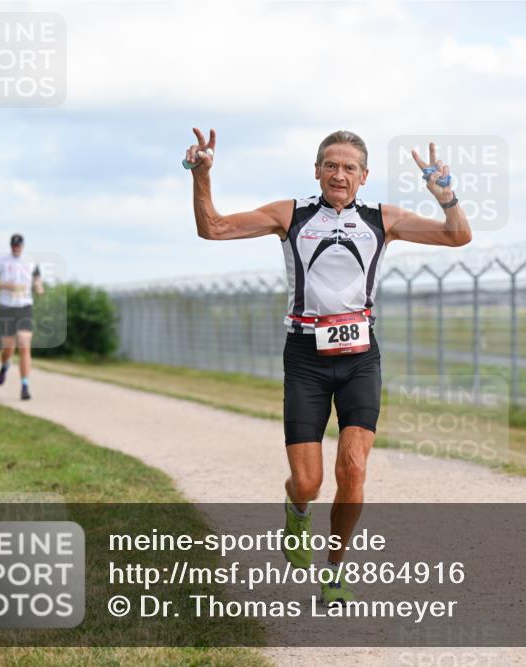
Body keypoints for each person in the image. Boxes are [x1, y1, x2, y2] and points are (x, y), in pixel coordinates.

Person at [186, 129, 470, 606]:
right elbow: (212, 227)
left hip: (361, 357)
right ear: (317, 170)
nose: (340, 174)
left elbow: (457, 235)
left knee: (354, 468)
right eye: (331, 165)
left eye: (349, 167)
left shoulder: (383, 219)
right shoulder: (291, 214)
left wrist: (447, 197)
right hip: (305, 357)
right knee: (309, 482)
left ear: (364, 176)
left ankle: (335, 570)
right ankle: (296, 510)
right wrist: (201, 175)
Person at [0, 233, 43, 400]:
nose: (16, 249)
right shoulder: (2, 261)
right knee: (7, 349)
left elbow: (37, 279)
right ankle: (5, 365)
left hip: (24, 307)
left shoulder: (31, 261)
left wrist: (39, 288)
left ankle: (25, 386)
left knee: (24, 346)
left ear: (23, 246)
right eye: (13, 246)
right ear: (10, 246)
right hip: (6, 308)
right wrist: (6, 285)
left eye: (18, 246)